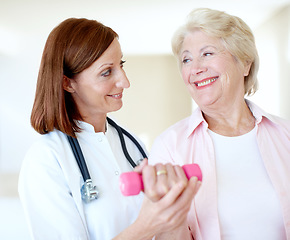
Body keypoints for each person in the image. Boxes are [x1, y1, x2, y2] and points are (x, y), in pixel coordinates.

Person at [18, 18, 201, 240]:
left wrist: (174, 215)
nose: (125, 81)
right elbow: (149, 225)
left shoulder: (133, 145)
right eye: (107, 72)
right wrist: (146, 225)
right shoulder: (46, 159)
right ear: (68, 83)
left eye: (121, 65)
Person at [149, 8, 290, 240]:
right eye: (186, 59)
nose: (195, 68)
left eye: (207, 54)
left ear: (244, 63)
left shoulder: (285, 135)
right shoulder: (170, 145)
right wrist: (171, 216)